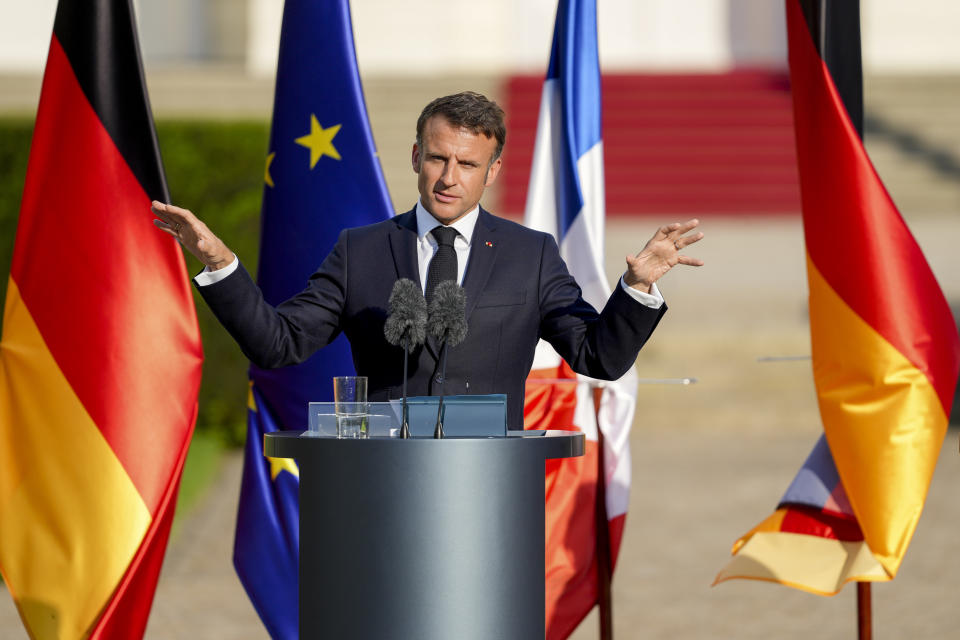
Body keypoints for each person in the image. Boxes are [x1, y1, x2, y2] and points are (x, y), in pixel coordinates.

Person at [152, 91, 703, 429]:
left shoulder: (529, 254)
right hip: (382, 483)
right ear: (416, 155)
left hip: (489, 482)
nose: (448, 177)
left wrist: (636, 289)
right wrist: (221, 263)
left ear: (491, 171)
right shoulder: (359, 251)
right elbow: (278, 344)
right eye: (437, 158)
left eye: (467, 164)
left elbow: (597, 357)